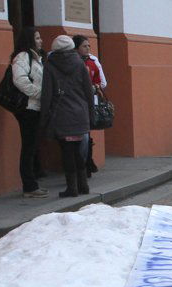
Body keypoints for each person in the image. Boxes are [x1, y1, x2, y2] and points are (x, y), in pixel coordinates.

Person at [40, 35, 95, 198]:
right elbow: (88, 91)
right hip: (80, 113)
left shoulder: (50, 65)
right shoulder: (80, 63)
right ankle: (83, 185)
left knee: (67, 151)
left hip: (61, 115)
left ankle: (72, 187)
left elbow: (46, 94)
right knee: (78, 151)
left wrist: (44, 118)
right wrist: (91, 113)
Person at [10, 27, 47, 198]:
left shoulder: (36, 57)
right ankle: (29, 186)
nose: (41, 41)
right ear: (29, 40)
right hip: (28, 108)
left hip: (35, 107)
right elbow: (20, 80)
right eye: (37, 38)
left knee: (32, 146)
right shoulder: (23, 57)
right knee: (28, 147)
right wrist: (39, 94)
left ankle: (33, 181)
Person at [73, 35, 106, 177]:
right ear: (76, 49)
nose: (87, 49)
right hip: (75, 104)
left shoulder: (93, 62)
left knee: (86, 135)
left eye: (88, 46)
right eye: (84, 46)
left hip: (89, 103)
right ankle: (80, 165)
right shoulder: (72, 63)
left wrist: (94, 87)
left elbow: (102, 82)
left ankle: (86, 163)